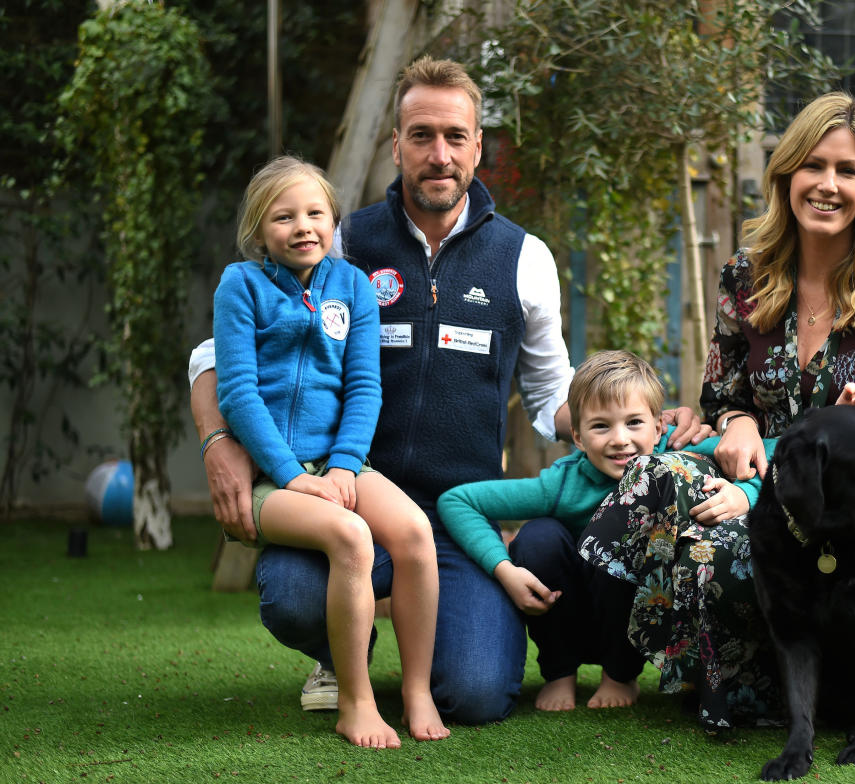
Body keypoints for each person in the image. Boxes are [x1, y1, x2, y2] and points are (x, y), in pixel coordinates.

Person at [189, 56, 700, 725]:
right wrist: (217, 437)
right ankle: (343, 652)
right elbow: (216, 351)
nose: (438, 154)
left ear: (478, 145)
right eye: (421, 135)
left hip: (458, 513)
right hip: (353, 494)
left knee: (480, 694)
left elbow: (552, 393)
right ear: (395, 143)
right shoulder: (341, 240)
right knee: (289, 595)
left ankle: (429, 661)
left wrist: (635, 421)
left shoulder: (524, 258)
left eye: (455, 136)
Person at [579, 92, 855, 731]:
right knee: (657, 472)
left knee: (716, 543)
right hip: (753, 489)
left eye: (848, 171)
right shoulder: (744, 279)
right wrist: (739, 421)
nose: (827, 185)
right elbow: (722, 398)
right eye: (814, 166)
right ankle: (616, 648)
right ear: (787, 174)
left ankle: (736, 690)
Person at [211, 156, 447, 748]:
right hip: (272, 476)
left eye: (315, 212)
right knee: (351, 537)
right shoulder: (240, 286)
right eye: (283, 217)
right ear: (258, 229)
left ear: (333, 221)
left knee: (416, 533)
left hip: (339, 461)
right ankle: (356, 698)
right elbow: (237, 393)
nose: (302, 227)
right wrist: (291, 475)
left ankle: (416, 690)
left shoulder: (352, 287)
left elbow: (365, 386)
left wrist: (344, 463)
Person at [437, 350, 767, 712]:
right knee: (538, 537)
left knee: (625, 539)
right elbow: (457, 501)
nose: (620, 439)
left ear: (659, 427)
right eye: (600, 426)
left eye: (634, 423)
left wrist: (746, 493)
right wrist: (504, 568)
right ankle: (560, 673)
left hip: (630, 615)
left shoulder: (680, 453)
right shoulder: (564, 483)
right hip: (571, 607)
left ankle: (619, 675)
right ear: (577, 438)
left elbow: (776, 452)